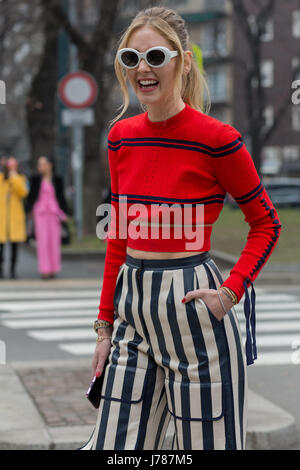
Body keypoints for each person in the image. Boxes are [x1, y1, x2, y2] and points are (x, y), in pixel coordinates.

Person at [85, 7, 282, 450]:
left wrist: (230, 292)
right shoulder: (120, 138)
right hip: (133, 314)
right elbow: (117, 236)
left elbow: (266, 224)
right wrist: (104, 327)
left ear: (184, 60)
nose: (143, 69)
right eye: (130, 59)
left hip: (195, 311)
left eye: (155, 56)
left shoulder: (218, 139)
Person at [25, 155, 69, 279]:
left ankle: (53, 268)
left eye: (42, 164)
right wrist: (28, 211)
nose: (40, 167)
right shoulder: (35, 179)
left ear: (50, 165)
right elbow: (31, 197)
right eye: (39, 164)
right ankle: (44, 270)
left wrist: (64, 212)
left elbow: (61, 197)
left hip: (54, 213)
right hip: (40, 213)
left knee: (54, 242)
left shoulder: (57, 179)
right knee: (43, 242)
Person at [0, 156, 28, 279]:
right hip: (2, 218)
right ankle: (1, 269)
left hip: (14, 218)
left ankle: (12, 269)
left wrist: (14, 178)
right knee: (1, 247)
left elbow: (23, 193)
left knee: (14, 247)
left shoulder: (20, 179)